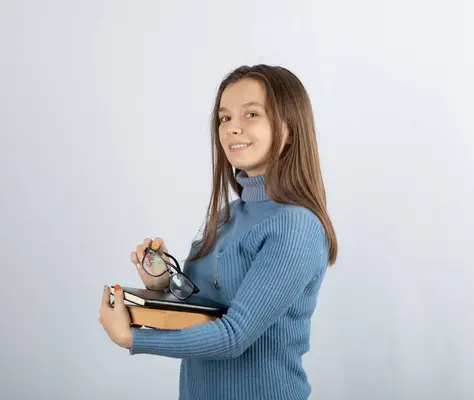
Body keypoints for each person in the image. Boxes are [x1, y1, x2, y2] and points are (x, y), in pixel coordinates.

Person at [99, 64, 338, 400]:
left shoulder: (295, 225)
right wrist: (164, 284)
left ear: (290, 130)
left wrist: (133, 339)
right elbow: (207, 308)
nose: (232, 129)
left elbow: (234, 336)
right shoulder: (230, 215)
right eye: (225, 118)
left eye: (251, 114)